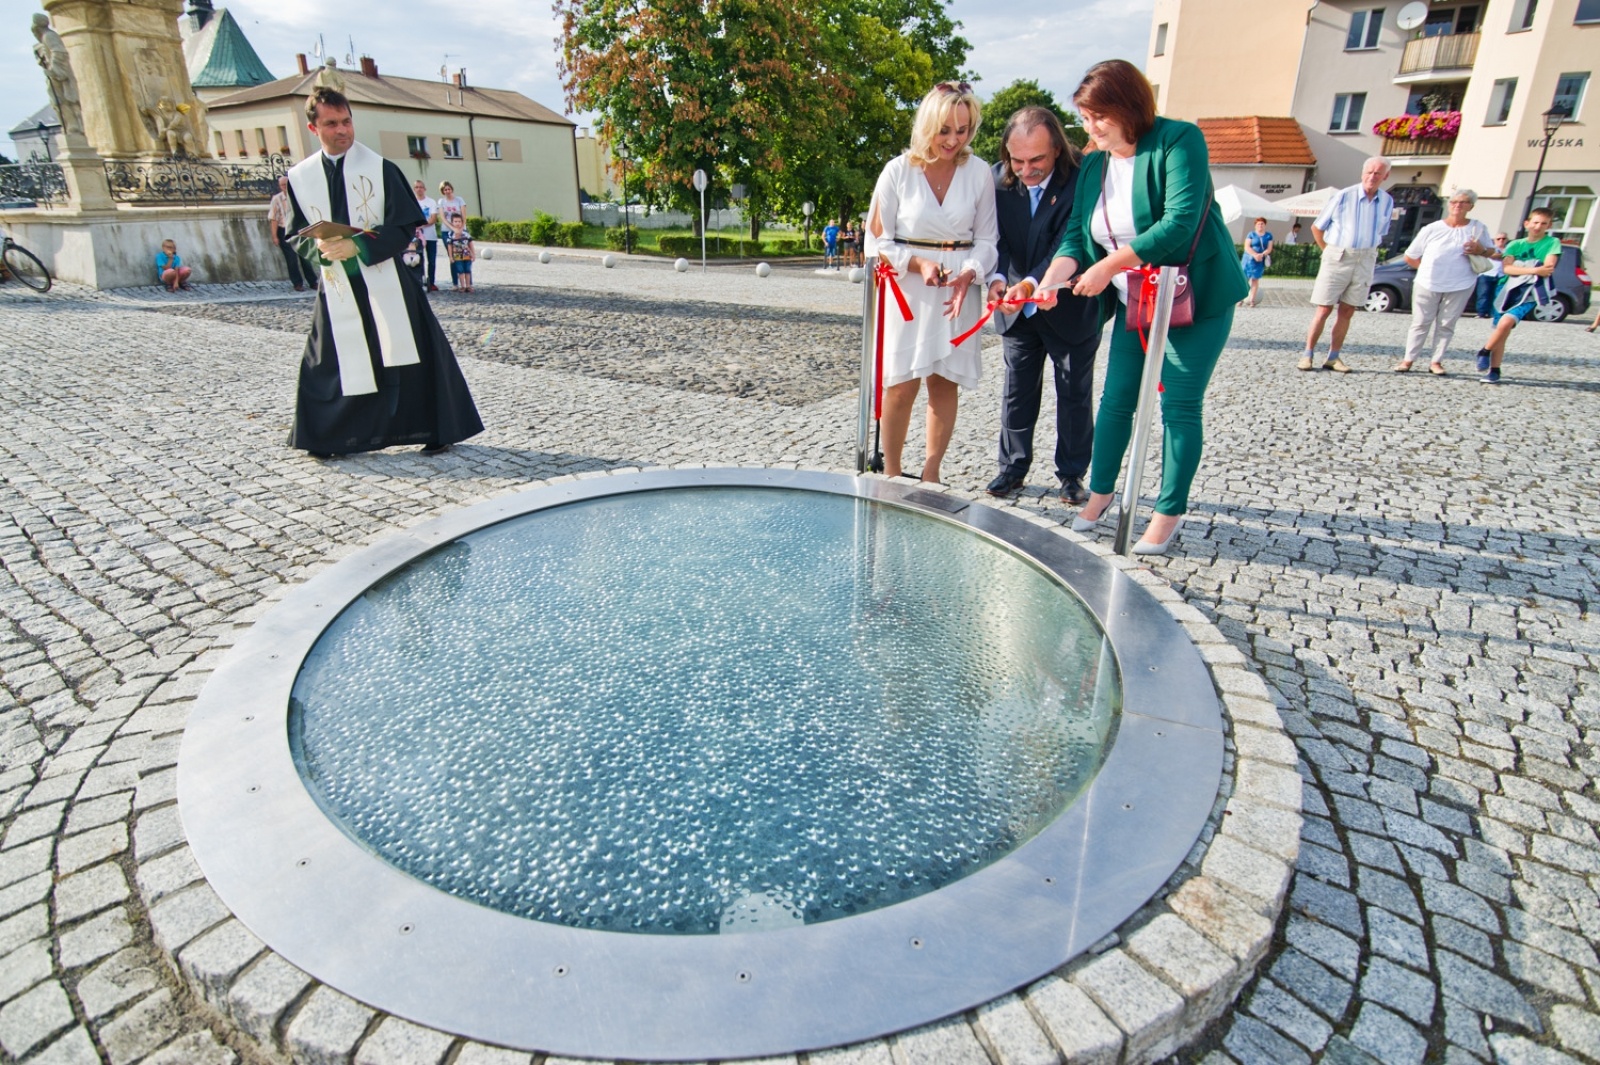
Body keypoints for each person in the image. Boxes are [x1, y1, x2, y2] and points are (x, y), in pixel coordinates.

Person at [1034, 60, 1247, 556]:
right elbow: (1075, 237)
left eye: (1098, 118)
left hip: (1197, 299)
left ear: (1128, 107)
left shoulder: (1178, 140)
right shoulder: (1093, 163)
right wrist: (1049, 282)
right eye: (1084, 120)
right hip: (1140, 300)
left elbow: (1179, 222)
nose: (1090, 130)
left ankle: (1168, 512)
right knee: (1116, 400)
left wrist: (1108, 267)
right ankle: (1102, 493)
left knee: (1179, 406)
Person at [283, 86, 483, 456]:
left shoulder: (380, 168)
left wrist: (358, 246)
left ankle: (433, 428)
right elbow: (294, 232)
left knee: (410, 355)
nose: (342, 130)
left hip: (384, 276)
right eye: (331, 124)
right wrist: (320, 249)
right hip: (338, 283)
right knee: (330, 359)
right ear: (314, 129)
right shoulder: (299, 178)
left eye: (346, 121)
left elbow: (406, 224)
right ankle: (329, 437)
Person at [863, 82, 998, 484]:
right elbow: (876, 239)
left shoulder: (978, 172)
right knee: (900, 383)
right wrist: (917, 261)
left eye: (963, 129)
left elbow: (988, 238)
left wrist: (971, 271)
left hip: (957, 285)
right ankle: (891, 472)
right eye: (945, 130)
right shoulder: (898, 170)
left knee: (944, 380)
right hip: (907, 285)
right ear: (927, 125)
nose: (954, 140)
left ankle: (932, 472)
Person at [983, 105, 1100, 504]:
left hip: (1067, 306)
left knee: (1073, 392)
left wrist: (1033, 282)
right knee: (1016, 391)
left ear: (1057, 149)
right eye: (1017, 160)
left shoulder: (1082, 178)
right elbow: (992, 238)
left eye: (1037, 160)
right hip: (1016, 310)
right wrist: (998, 279)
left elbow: (1071, 240)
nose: (1026, 169)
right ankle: (1012, 468)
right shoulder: (996, 181)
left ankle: (1072, 474)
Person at [1298, 157, 1394, 372]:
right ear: (1362, 173)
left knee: (1348, 309)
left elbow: (1382, 232)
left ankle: (1334, 356)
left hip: (1366, 256)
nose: (1372, 177)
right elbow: (1318, 227)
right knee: (1324, 308)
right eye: (1369, 172)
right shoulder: (1344, 196)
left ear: (1385, 176)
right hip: (1339, 254)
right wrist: (1329, 252)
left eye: (1377, 173)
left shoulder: (1387, 201)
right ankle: (1308, 353)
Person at [1392, 190, 1494, 375]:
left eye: (1463, 202)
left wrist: (1481, 249)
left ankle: (1436, 361)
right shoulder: (1432, 228)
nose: (1458, 205)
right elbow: (1410, 256)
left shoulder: (1478, 228)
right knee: (1420, 322)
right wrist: (1424, 270)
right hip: (1428, 281)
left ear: (1471, 206)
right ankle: (1408, 359)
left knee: (1447, 323)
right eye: (1454, 201)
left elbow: (1492, 252)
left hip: (1461, 282)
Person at [1475, 207, 1561, 385]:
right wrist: (1534, 268)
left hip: (1531, 290)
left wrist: (1523, 267)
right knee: (1501, 330)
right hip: (1507, 289)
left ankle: (1484, 351)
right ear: (1527, 223)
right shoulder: (1515, 244)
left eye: (1543, 223)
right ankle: (1494, 370)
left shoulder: (1552, 242)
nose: (1538, 227)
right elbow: (1507, 269)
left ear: (1549, 225)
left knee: (1506, 322)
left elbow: (1548, 267)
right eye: (1535, 222)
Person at [268, 176, 307, 292]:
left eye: (287, 184)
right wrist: (274, 236)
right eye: (282, 185)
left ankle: (312, 281)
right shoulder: (276, 199)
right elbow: (273, 218)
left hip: (300, 230)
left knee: (305, 257)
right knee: (291, 259)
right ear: (279, 187)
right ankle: (297, 283)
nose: (285, 187)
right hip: (284, 230)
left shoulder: (298, 196)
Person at [413, 179, 441, 291]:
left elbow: (433, 218)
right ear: (414, 189)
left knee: (432, 260)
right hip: (417, 236)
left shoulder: (431, 202)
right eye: (417, 187)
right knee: (418, 259)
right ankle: (420, 280)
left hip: (430, 236)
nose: (419, 189)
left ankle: (431, 282)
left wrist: (421, 225)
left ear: (424, 189)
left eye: (421, 187)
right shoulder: (412, 202)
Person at [1472, 233, 1509, 317]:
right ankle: (1481, 313)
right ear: (1494, 240)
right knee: (1483, 294)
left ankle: (1493, 313)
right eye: (1498, 239)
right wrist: (1505, 256)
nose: (1501, 240)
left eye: (1503, 238)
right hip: (1487, 274)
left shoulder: (1509, 249)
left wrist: (1503, 256)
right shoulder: (1490, 248)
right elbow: (1492, 256)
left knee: (1497, 295)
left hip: (1501, 275)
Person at [1240, 218, 1273, 308]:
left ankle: (1252, 300)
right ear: (1255, 225)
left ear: (1265, 225)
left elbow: (1269, 248)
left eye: (1262, 224)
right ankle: (1240, 299)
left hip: (1259, 260)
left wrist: (1262, 255)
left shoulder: (1268, 236)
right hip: (1249, 259)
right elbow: (1247, 247)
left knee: (1255, 279)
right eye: (1258, 224)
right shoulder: (1251, 234)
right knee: (1245, 279)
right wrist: (1254, 254)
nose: (1260, 225)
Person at [443, 213, 475, 293]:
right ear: (452, 223)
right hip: (457, 256)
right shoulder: (450, 234)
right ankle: (462, 286)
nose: (457, 223)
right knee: (460, 271)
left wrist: (473, 254)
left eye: (459, 221)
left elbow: (470, 244)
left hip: (467, 255)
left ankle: (468, 286)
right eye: (455, 221)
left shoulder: (466, 233)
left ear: (462, 222)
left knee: (468, 270)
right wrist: (450, 257)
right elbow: (449, 246)